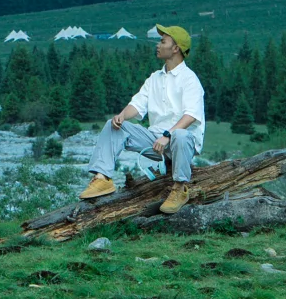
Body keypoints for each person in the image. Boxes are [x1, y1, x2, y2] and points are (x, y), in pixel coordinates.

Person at [78, 25, 204, 215]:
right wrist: (122, 115)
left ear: (176, 48)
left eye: (163, 41)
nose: (158, 45)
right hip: (155, 142)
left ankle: (180, 188)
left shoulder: (189, 79)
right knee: (114, 126)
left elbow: (191, 115)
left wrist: (167, 135)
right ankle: (102, 178)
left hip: (182, 142)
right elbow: (137, 105)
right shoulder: (154, 78)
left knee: (180, 134)